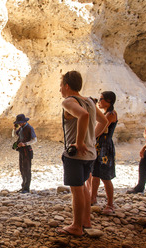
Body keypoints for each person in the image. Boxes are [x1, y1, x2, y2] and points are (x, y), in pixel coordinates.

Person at [58, 71, 108, 236]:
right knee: (85, 187)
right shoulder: (90, 101)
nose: (60, 90)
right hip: (90, 154)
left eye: (60, 86)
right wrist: (91, 140)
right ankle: (86, 221)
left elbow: (83, 115)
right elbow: (104, 122)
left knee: (77, 190)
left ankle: (76, 226)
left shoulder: (68, 101)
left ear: (66, 86)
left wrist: (80, 143)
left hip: (76, 155)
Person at [90, 91, 118, 215]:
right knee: (95, 174)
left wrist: (93, 107)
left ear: (109, 101)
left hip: (104, 147)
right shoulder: (106, 113)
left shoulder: (111, 114)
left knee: (105, 176)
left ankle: (110, 204)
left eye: (102, 99)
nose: (100, 101)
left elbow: (98, 131)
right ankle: (92, 198)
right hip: (99, 146)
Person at [13, 114, 37, 193]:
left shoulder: (29, 128)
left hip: (27, 150)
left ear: (24, 121)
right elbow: (14, 135)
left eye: (20, 122)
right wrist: (14, 128)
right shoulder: (21, 128)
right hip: (21, 151)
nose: (19, 124)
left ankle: (26, 188)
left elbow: (34, 139)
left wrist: (25, 144)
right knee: (22, 169)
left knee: (27, 169)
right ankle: (23, 187)